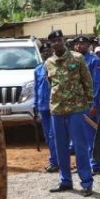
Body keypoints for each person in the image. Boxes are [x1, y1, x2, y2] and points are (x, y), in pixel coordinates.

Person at [45, 37, 94, 196]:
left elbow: (87, 81)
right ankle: (65, 181)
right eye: (53, 42)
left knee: (80, 147)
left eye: (58, 40)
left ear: (63, 41)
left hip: (76, 109)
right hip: (57, 110)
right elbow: (50, 84)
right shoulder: (49, 62)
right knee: (60, 148)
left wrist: (88, 101)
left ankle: (86, 182)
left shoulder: (77, 58)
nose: (56, 44)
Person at [72, 35, 100, 174]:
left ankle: (95, 164)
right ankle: (82, 164)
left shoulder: (94, 60)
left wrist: (94, 103)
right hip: (76, 104)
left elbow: (96, 83)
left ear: (89, 45)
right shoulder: (73, 60)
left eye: (83, 43)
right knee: (79, 135)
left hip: (88, 103)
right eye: (77, 44)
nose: (80, 46)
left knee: (91, 134)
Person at [33, 44, 58, 174]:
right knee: (47, 136)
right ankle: (54, 160)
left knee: (53, 135)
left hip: (55, 105)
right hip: (43, 106)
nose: (47, 53)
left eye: (49, 51)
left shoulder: (57, 67)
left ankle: (55, 161)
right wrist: (35, 107)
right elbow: (36, 89)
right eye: (44, 51)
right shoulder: (37, 70)